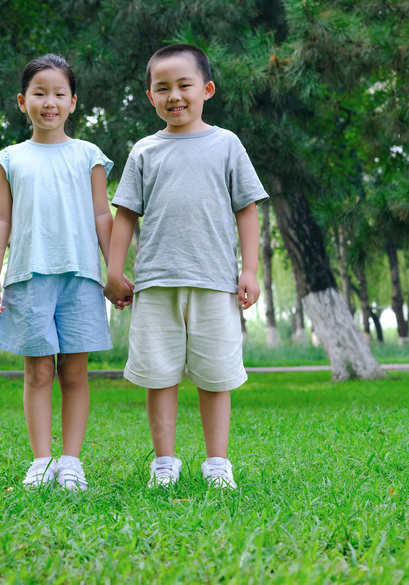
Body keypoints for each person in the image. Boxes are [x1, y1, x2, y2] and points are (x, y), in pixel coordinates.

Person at [104, 44, 267, 490]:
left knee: (216, 377)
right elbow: (125, 215)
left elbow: (247, 209)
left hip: (215, 282)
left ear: (207, 89)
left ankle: (217, 463)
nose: (174, 96)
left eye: (184, 85)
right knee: (159, 375)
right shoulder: (144, 151)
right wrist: (114, 270)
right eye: (163, 88)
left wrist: (249, 270)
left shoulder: (227, 144)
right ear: (150, 96)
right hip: (156, 282)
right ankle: (165, 462)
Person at [0, 53, 130, 491]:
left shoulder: (89, 156)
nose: (49, 102)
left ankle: (71, 461)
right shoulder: (10, 159)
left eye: (58, 94)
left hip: (81, 275)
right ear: (22, 101)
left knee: (74, 372)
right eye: (39, 93)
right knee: (38, 372)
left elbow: (103, 216)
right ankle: (41, 461)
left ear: (72, 103)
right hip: (29, 274)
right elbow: (1, 219)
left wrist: (115, 270)